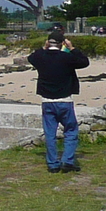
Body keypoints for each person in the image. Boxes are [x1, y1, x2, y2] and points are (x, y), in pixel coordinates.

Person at [28, 28, 89, 173]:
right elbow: (84, 62)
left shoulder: (41, 57)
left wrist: (44, 47)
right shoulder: (66, 58)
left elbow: (32, 57)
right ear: (62, 43)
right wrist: (72, 48)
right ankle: (67, 161)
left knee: (50, 133)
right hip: (65, 100)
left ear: (48, 43)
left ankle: (53, 164)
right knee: (71, 130)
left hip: (47, 100)